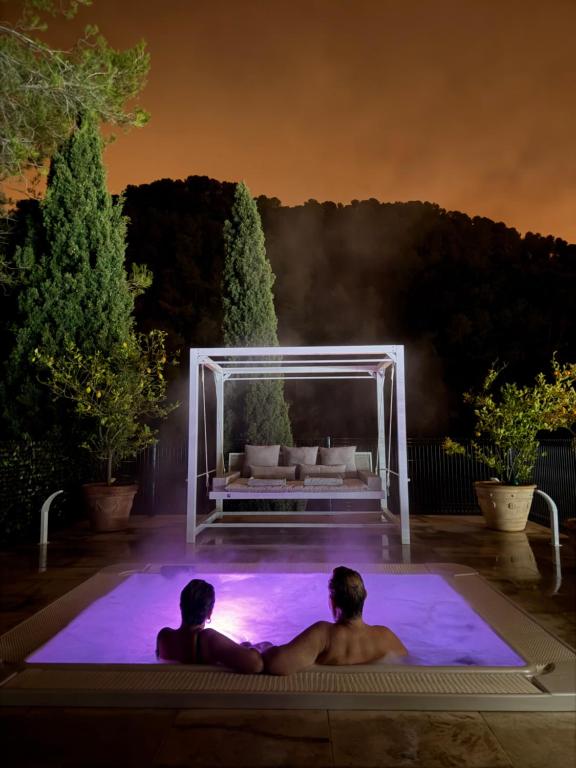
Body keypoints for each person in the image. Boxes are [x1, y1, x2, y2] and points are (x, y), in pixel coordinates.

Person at [263, 566, 407, 675]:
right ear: (365, 596)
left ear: (332, 601)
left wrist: (266, 648)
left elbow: (278, 664)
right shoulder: (385, 635)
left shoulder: (324, 634)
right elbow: (407, 662)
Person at [156, 579, 263, 673]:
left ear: (181, 607)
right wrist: (254, 648)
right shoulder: (207, 638)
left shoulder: (164, 636)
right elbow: (256, 665)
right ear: (209, 612)